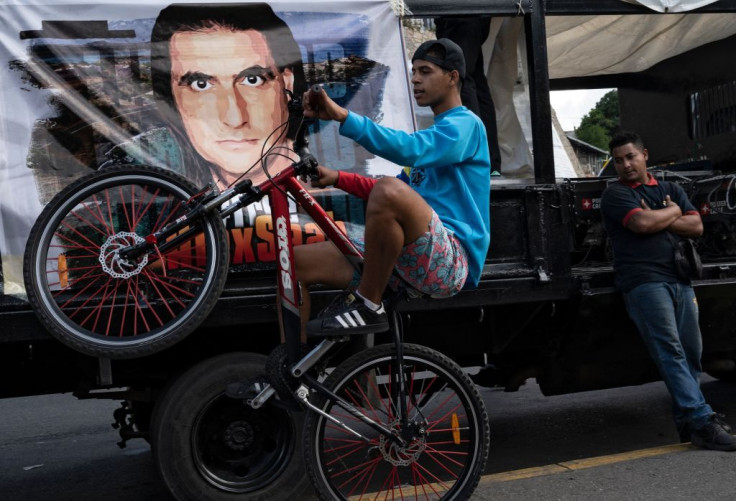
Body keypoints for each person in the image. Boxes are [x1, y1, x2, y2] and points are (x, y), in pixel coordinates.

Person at [298, 38, 491, 336]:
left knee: (389, 190)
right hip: (410, 254)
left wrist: (343, 116)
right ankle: (293, 371)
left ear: (453, 77)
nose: (415, 79)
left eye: (425, 71)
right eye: (414, 71)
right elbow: (387, 191)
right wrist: (337, 177)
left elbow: (407, 157)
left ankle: (368, 305)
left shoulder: (466, 126)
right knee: (297, 264)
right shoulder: (436, 137)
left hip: (450, 261)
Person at [600, 131, 736, 451]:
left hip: (680, 278)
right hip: (644, 282)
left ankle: (687, 424)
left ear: (645, 155)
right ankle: (702, 421)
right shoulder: (615, 195)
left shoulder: (670, 188)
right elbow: (642, 224)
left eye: (631, 157)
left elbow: (697, 227)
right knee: (670, 351)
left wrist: (666, 216)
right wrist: (675, 212)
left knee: (691, 354)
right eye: (618, 160)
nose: (625, 165)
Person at [150, 3, 307, 190]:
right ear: (172, 99)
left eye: (252, 80)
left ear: (287, 83)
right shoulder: (164, 200)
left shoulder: (327, 182)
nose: (235, 118)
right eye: (201, 85)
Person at [434, 16, 501, 175]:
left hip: (459, 15)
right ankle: (489, 161)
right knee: (476, 83)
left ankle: (476, 156)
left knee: (460, 80)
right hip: (473, 15)